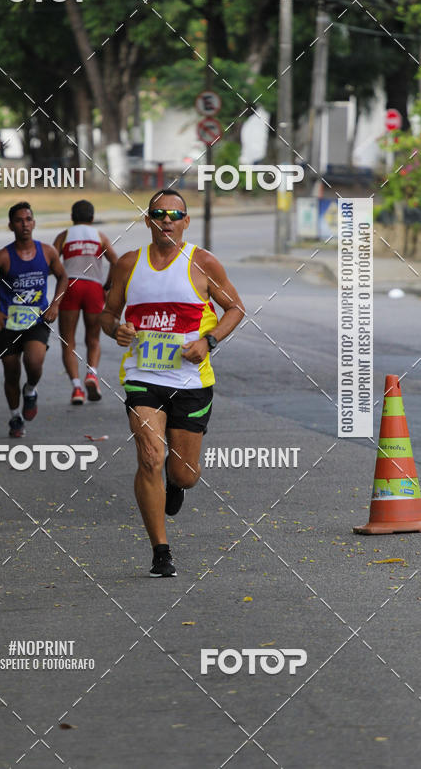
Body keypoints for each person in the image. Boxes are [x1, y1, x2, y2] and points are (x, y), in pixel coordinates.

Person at [101, 190, 245, 578]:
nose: (167, 220)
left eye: (175, 215)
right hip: (142, 376)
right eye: (159, 214)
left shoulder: (202, 263)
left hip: (190, 381)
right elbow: (108, 314)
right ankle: (160, 552)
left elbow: (236, 308)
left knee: (185, 474)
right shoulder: (128, 264)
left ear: (185, 222)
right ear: (148, 220)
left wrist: (209, 341)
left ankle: (175, 482)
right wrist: (116, 330)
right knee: (149, 455)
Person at [0, 202, 68, 438]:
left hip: (36, 321)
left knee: (34, 363)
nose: (24, 224)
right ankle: (15, 416)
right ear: (11, 226)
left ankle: (30, 390)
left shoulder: (47, 252)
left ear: (34, 223)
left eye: (28, 219)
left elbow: (63, 277)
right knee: (11, 372)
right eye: (19, 220)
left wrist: (55, 304)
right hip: (8, 324)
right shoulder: (3, 256)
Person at [53, 200, 118, 404]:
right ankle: (91, 374)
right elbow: (115, 262)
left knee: (68, 342)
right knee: (93, 339)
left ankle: (77, 389)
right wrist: (107, 285)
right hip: (93, 289)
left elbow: (51, 261)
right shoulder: (100, 236)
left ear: (72, 217)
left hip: (70, 287)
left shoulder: (64, 236)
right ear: (92, 217)